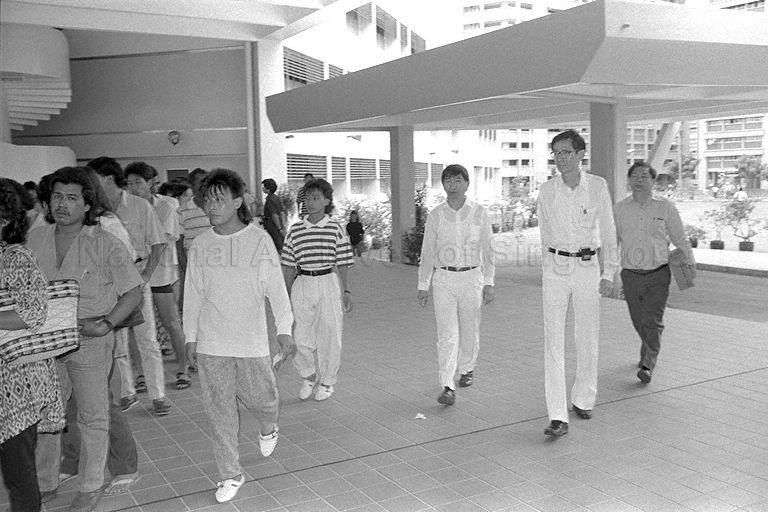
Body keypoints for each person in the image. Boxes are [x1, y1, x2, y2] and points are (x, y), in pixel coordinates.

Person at [28, 167, 143, 512]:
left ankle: (90, 484)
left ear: (87, 204)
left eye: (72, 198)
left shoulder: (105, 242)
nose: (62, 204)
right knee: (47, 414)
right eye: (57, 196)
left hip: (89, 340)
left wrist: (107, 324)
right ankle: (45, 482)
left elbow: (133, 292)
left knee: (92, 415)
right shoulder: (36, 239)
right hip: (45, 343)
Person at [183, 169, 294, 503]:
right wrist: (190, 337)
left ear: (237, 201)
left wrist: (284, 330)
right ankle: (229, 474)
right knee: (219, 412)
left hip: (251, 341)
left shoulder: (258, 240)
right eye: (208, 199)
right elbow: (193, 294)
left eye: (220, 198)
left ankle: (268, 422)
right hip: (212, 342)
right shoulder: (201, 245)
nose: (212, 205)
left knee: (262, 398)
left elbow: (276, 288)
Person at [537, 129, 618, 437]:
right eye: (556, 153)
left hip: (586, 267)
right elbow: (544, 232)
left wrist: (608, 272)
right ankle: (557, 415)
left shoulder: (597, 186)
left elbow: (608, 231)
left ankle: (584, 397)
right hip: (555, 268)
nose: (561, 159)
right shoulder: (547, 190)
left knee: (586, 336)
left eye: (567, 152)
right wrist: (548, 267)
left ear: (581, 154)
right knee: (553, 340)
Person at [88, 157, 171, 417]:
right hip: (106, 285)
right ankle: (127, 392)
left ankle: (158, 395)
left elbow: (158, 243)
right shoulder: (93, 211)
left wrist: (146, 275)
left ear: (108, 178)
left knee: (147, 339)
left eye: (94, 178)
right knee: (116, 341)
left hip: (135, 279)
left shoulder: (139, 206)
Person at [0, 178, 64, 512]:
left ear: (5, 219)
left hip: (18, 384)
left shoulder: (15, 258)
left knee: (18, 474)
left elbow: (33, 313)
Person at [416, 164, 495, 406]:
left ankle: (467, 368)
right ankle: (447, 385)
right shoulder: (436, 215)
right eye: (448, 180)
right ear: (443, 185)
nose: (453, 184)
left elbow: (488, 250)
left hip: (472, 277)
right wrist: (423, 283)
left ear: (467, 183)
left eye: (457, 180)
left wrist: (489, 282)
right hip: (444, 280)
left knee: (469, 328)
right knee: (447, 333)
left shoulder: (480, 213)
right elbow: (427, 250)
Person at [614, 162, 695, 384]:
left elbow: (680, 238)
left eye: (644, 176)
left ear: (653, 181)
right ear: (629, 180)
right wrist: (606, 270)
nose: (638, 180)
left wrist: (689, 261)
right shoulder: (620, 209)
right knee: (638, 319)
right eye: (634, 176)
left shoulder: (665, 207)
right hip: (630, 274)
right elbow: (613, 241)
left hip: (658, 274)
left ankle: (648, 364)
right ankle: (648, 347)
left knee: (652, 320)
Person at [281, 178, 353, 401]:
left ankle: (327, 381)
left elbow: (342, 261)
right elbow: (288, 263)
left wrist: (346, 291)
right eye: (307, 198)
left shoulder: (336, 228)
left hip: (327, 282)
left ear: (327, 201)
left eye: (315, 198)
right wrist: (286, 291)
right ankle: (308, 375)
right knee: (300, 336)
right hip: (302, 283)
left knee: (330, 333)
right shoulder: (295, 230)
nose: (310, 202)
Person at [125, 162, 189, 390]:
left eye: (138, 182)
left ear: (151, 183)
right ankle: (141, 374)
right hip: (134, 275)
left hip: (160, 274)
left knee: (171, 322)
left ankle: (183, 368)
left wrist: (147, 271)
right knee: (135, 326)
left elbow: (159, 242)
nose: (133, 187)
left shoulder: (167, 205)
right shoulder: (124, 208)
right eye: (129, 183)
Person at [261, 178, 285, 251]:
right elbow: (282, 212)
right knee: (281, 244)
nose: (262, 188)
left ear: (268, 188)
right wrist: (283, 225)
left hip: (273, 225)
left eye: (263, 186)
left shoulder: (270, 200)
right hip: (279, 224)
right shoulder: (276, 198)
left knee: (277, 246)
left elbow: (273, 215)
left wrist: (279, 229)